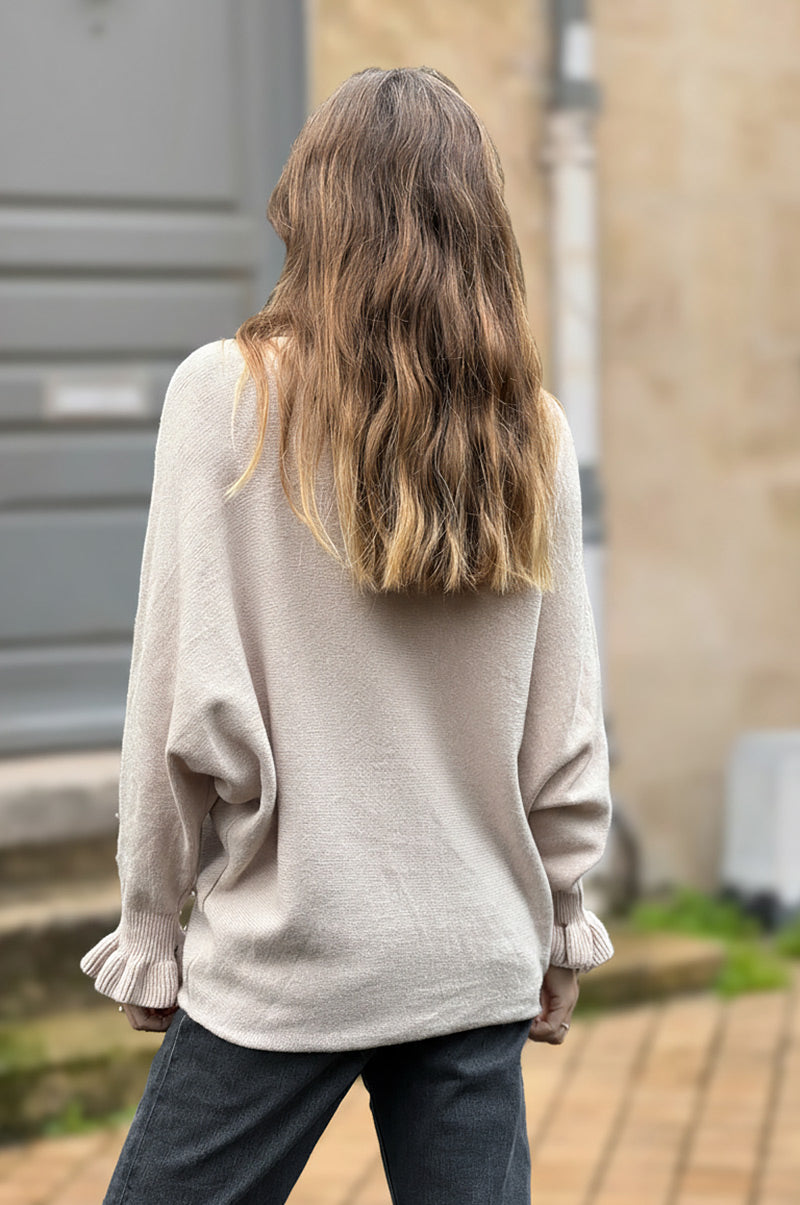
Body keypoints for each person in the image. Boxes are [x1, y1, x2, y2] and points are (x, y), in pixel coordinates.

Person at [80, 65, 615, 1205]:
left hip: (291, 951)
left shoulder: (224, 398)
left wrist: (151, 918)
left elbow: (175, 695)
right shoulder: (531, 430)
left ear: (309, 208)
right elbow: (563, 732)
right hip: (471, 952)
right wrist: (562, 919)